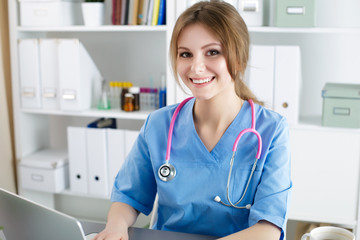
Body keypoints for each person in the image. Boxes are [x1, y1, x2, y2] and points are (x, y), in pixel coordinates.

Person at [93, 1, 292, 240]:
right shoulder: (158, 125)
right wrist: (115, 227)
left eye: (212, 52)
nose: (196, 68)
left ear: (239, 59)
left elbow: (268, 229)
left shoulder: (272, 130)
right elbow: (128, 196)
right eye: (186, 54)